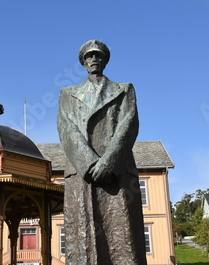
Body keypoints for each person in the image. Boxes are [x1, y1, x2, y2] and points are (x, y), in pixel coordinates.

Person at [57, 39, 147, 265]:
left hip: (116, 171)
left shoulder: (124, 89)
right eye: (89, 56)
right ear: (83, 63)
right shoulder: (68, 94)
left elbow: (129, 124)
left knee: (122, 237)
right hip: (82, 172)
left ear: (104, 60)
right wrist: (89, 164)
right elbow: (66, 128)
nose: (93, 59)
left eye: (97, 56)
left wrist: (109, 162)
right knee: (83, 240)